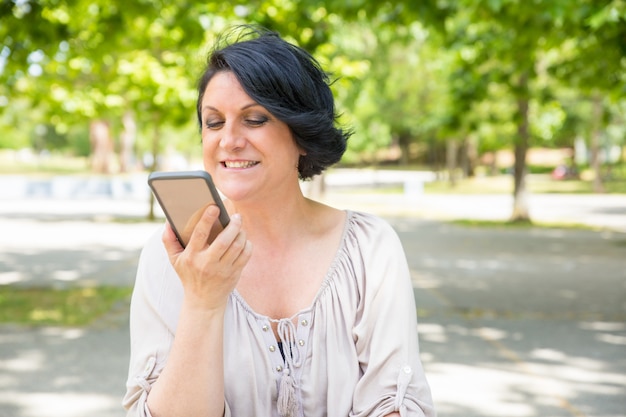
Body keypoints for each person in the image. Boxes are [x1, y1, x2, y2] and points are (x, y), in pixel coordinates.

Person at [123, 25, 436, 417]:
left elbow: (394, 406)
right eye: (214, 122)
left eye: (254, 119)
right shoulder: (172, 254)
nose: (229, 140)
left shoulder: (369, 249)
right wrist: (203, 303)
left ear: (302, 134)